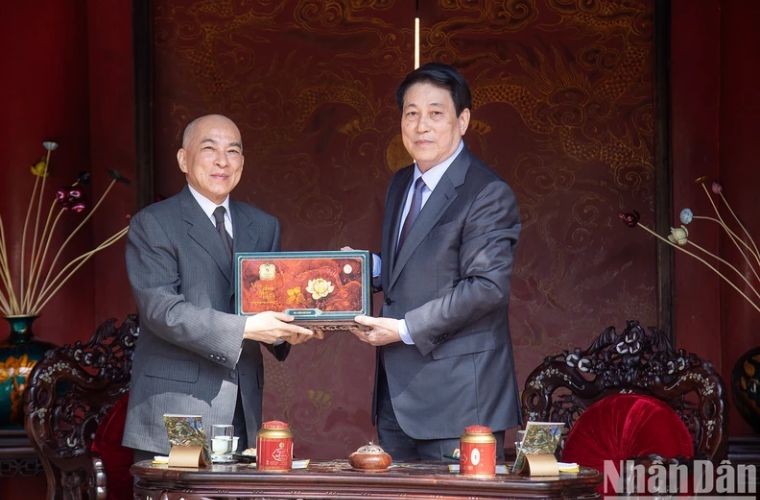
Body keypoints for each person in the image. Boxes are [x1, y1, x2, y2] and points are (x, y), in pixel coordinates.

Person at [352, 63, 522, 460]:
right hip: (398, 399)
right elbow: (413, 263)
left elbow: (486, 288)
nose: (421, 125)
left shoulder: (486, 193)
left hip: (461, 403)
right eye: (411, 113)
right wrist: (361, 270)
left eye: (435, 113)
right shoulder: (401, 183)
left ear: (462, 121)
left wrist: (404, 329)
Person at [123, 114, 313, 460]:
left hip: (242, 406)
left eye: (233, 151)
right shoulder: (153, 224)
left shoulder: (262, 225)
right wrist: (248, 327)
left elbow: (269, 303)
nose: (222, 161)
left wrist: (291, 329)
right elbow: (162, 311)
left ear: (242, 161)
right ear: (184, 159)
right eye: (209, 149)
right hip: (179, 408)